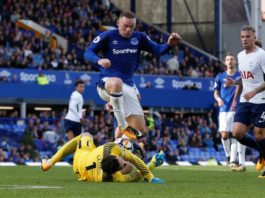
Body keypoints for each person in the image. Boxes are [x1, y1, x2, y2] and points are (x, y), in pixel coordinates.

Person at [84, 10, 181, 140]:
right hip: (107, 82)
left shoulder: (139, 38)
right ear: (118, 23)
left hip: (128, 84)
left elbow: (158, 50)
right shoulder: (107, 36)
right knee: (117, 83)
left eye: (132, 27)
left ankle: (117, 143)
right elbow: (88, 53)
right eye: (125, 26)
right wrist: (98, 60)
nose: (128, 29)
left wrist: (169, 44)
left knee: (139, 132)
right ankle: (122, 124)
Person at [41, 133, 165, 183]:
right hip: (80, 171)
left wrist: (149, 174)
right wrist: (152, 165)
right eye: (123, 161)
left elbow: (133, 164)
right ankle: (50, 162)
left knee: (85, 135)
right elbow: (136, 173)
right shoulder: (117, 178)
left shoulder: (109, 148)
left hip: (81, 158)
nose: (124, 160)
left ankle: (50, 162)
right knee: (131, 167)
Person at [225, 26, 265, 175]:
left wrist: (254, 91)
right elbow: (244, 77)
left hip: (262, 101)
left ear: (254, 38)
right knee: (237, 133)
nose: (244, 39)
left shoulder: (261, 55)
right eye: (242, 37)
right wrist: (233, 83)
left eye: (248, 36)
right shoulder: (240, 55)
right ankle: (262, 152)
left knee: (259, 133)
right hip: (245, 101)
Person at [214, 53, 246, 171]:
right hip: (223, 109)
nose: (230, 61)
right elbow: (216, 92)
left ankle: (233, 159)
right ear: (225, 62)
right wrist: (218, 99)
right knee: (224, 134)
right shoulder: (220, 76)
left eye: (232, 59)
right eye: (228, 59)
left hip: (236, 108)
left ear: (235, 62)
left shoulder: (240, 76)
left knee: (234, 134)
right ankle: (228, 155)